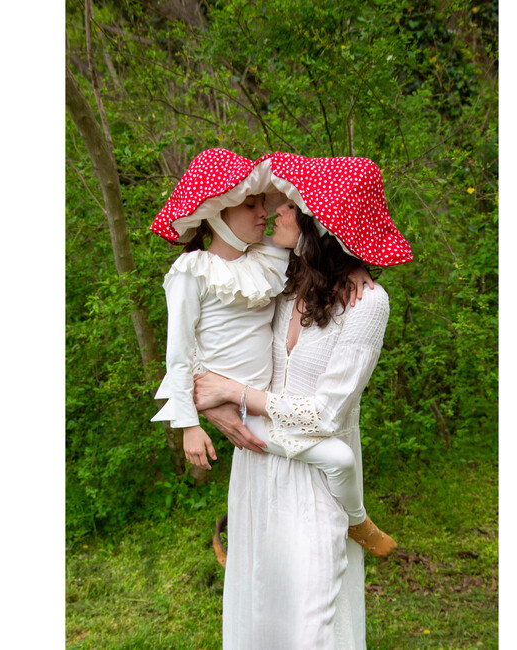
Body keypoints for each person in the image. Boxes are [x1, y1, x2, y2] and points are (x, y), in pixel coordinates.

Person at [193, 151, 413, 649]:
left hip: (316, 478)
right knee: (258, 599)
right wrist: (210, 402)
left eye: (293, 205)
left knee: (314, 610)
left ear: (322, 226)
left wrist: (235, 393)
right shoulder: (282, 281)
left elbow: (326, 413)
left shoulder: (367, 303)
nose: (277, 211)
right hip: (257, 465)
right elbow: (208, 327)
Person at [150, 148, 393, 548]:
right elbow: (180, 352)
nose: (269, 211)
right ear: (217, 212)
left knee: (338, 461)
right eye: (252, 204)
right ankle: (356, 521)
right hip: (250, 419)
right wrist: (190, 421)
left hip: (273, 413)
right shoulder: (192, 272)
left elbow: (326, 242)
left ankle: (354, 522)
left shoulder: (269, 263)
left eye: (274, 203)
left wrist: (353, 265)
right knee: (335, 464)